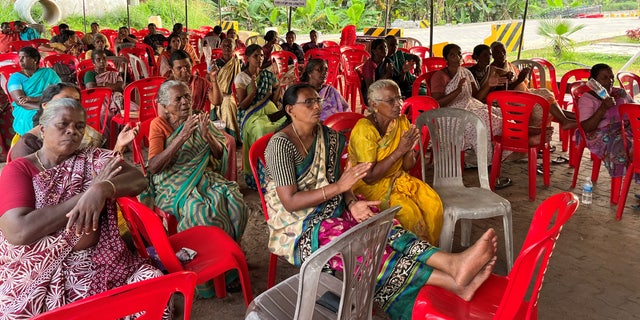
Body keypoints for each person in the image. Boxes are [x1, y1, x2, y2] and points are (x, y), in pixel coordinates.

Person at [264, 83, 498, 319]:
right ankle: (453, 281)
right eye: (308, 102)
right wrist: (339, 188)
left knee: (384, 226)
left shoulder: (329, 137)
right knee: (363, 249)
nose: (317, 106)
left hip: (332, 208)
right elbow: (290, 202)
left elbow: (342, 181)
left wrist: (352, 202)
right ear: (290, 110)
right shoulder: (280, 145)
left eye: (318, 101)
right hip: (298, 226)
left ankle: (450, 263)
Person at [0, 98, 161, 318]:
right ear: (43, 129)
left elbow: (138, 179)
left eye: (79, 127)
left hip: (97, 262)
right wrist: (84, 195)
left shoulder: (91, 158)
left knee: (154, 288)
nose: (72, 131)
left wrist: (102, 189)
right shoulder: (19, 170)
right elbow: (18, 231)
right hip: (35, 273)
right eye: (63, 124)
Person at [144, 80, 247, 258]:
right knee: (201, 212)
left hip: (203, 177)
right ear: (166, 106)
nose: (185, 102)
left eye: (187, 97)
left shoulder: (199, 117)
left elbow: (219, 154)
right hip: (171, 183)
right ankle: (205, 264)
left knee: (236, 202)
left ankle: (230, 256)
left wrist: (207, 136)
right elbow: (154, 166)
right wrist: (181, 137)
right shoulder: (159, 125)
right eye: (178, 99)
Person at [349, 80, 443, 243]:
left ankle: (430, 253)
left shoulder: (401, 122)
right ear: (374, 104)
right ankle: (411, 259)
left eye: (399, 98)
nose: (399, 104)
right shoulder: (364, 130)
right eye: (391, 100)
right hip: (369, 187)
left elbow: (408, 166)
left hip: (399, 179)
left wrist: (409, 149)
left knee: (433, 205)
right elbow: (369, 177)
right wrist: (399, 150)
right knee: (408, 213)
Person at [430, 43, 511, 188]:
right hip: (450, 115)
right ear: (446, 58)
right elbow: (437, 104)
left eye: (459, 54)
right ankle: (486, 160)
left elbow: (477, 97)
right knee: (484, 119)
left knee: (499, 113)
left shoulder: (466, 73)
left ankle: (496, 154)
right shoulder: (439, 76)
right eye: (452, 55)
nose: (457, 57)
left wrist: (489, 85)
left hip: (471, 105)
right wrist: (456, 91)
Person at [10, 82, 138, 160]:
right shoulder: (28, 146)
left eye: (76, 101)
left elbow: (102, 167)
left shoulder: (86, 134)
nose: (71, 106)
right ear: (46, 106)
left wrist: (119, 146)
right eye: (65, 100)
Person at [234, 44, 290, 188]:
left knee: (287, 122)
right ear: (247, 58)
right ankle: (262, 176)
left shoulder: (267, 75)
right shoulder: (242, 77)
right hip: (250, 114)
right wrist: (252, 92)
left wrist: (280, 86)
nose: (259, 59)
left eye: (261, 56)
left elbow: (273, 99)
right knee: (260, 130)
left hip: (269, 110)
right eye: (255, 56)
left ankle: (281, 168)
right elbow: (243, 105)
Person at [489, 41, 576, 131]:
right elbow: (503, 93)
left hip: (524, 93)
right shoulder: (493, 70)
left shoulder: (509, 65)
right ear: (493, 55)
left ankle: (569, 119)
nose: (502, 54)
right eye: (498, 52)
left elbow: (523, 83)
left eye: (503, 51)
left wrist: (522, 76)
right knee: (544, 103)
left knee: (545, 92)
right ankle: (570, 120)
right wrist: (519, 80)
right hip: (513, 100)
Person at [578, 63, 635, 181]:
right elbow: (587, 127)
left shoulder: (620, 93)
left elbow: (634, 110)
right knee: (624, 147)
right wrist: (603, 108)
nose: (609, 81)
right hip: (601, 135)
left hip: (626, 129)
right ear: (593, 82)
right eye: (604, 78)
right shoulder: (587, 99)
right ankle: (619, 185)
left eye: (611, 77)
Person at [8, 46, 60, 137]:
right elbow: (20, 102)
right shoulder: (15, 78)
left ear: (35, 59)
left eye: (24, 57)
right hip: (26, 108)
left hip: (50, 103)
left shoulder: (48, 73)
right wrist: (42, 107)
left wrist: (44, 103)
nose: (20, 60)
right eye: (19, 58)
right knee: (32, 117)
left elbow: (59, 91)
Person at [214, 38, 243, 141]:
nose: (227, 48)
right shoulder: (215, 64)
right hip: (217, 95)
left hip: (235, 94)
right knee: (226, 102)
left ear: (234, 47)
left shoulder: (238, 63)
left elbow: (242, 81)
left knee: (229, 102)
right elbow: (210, 82)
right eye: (224, 45)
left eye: (229, 46)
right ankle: (229, 137)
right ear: (221, 47)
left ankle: (233, 136)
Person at [84, 50, 125, 116]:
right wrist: (112, 86)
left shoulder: (114, 73)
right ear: (93, 62)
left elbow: (120, 87)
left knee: (131, 109)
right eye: (98, 59)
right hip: (98, 100)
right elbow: (92, 89)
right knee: (105, 113)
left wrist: (103, 84)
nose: (102, 61)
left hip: (115, 98)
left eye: (104, 58)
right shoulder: (90, 74)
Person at [361, 38, 392, 103]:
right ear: (374, 51)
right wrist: (387, 75)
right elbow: (371, 88)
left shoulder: (387, 61)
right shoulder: (369, 65)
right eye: (381, 48)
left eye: (385, 47)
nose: (385, 49)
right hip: (373, 97)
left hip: (385, 91)